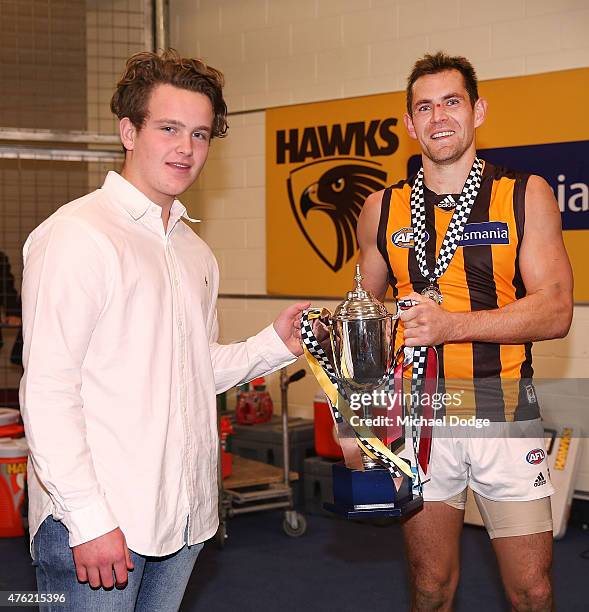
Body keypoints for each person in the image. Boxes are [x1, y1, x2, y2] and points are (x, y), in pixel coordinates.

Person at [20, 49, 307, 611]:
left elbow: (190, 367)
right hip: (99, 523)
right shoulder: (79, 236)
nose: (187, 149)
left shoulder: (194, 251)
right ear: (129, 131)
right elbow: (48, 392)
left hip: (181, 521)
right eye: (170, 128)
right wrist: (90, 518)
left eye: (201, 135)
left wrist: (274, 345)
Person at [357, 52, 573, 611]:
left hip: (502, 406)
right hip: (420, 412)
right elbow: (362, 314)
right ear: (409, 124)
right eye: (423, 107)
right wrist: (356, 416)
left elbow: (555, 311)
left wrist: (454, 324)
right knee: (430, 585)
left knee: (533, 590)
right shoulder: (382, 208)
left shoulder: (525, 194)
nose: (438, 118)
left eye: (451, 102)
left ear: (477, 111)